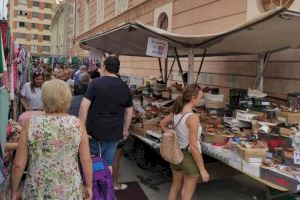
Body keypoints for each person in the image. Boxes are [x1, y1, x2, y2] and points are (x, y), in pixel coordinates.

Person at [11, 79, 93, 200]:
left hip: (37, 190)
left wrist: (14, 190)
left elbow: (19, 164)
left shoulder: (31, 124)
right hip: (69, 189)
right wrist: (89, 185)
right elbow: (86, 160)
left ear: (44, 98)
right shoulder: (77, 124)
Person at [79, 56, 133, 174]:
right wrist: (125, 130)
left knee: (94, 160)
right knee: (108, 162)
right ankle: (106, 189)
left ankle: (93, 188)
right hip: (114, 131)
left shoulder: (95, 83)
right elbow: (129, 111)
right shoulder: (125, 87)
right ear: (118, 69)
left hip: (95, 131)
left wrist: (82, 129)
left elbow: (84, 107)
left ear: (104, 67)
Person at [160, 83, 210, 200]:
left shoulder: (175, 112)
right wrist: (203, 170)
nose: (201, 100)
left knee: (175, 186)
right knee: (186, 194)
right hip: (188, 157)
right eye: (200, 97)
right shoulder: (192, 117)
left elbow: (162, 124)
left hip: (176, 154)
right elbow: (193, 146)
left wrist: (172, 135)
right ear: (193, 99)